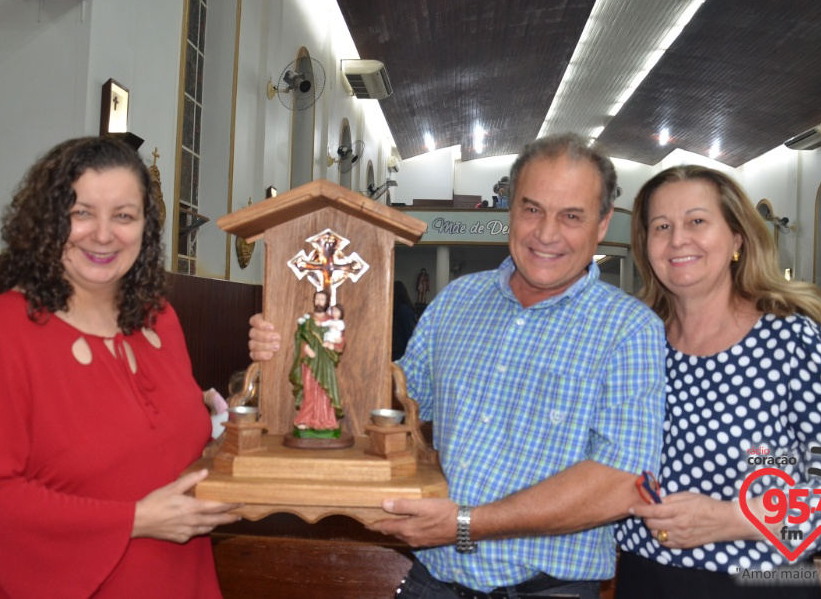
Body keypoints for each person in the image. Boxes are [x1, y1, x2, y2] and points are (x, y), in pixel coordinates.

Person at [249, 133, 667, 598]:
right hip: (437, 581)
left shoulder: (628, 329)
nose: (547, 234)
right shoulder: (457, 301)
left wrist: (466, 524)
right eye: (532, 209)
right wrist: (294, 347)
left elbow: (620, 482)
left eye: (571, 216)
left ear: (603, 222)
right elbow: (384, 405)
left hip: (547, 590)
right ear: (509, 207)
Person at [0, 136, 241, 599]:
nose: (103, 234)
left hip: (183, 582)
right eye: (81, 213)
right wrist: (135, 521)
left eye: (124, 215)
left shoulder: (159, 319)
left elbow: (175, 446)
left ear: (145, 226)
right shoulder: (3, 335)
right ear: (49, 222)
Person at [615, 165, 821, 598]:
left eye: (697, 221)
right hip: (642, 577)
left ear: (738, 238)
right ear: (646, 245)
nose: (678, 239)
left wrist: (731, 518)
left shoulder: (793, 344)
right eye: (661, 226)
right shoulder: (631, 344)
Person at [290, 290, 345, 436]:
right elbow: (299, 337)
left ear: (327, 302)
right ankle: (306, 419)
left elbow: (340, 338)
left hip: (325, 360)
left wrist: (335, 345)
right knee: (309, 390)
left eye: (322, 300)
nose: (319, 302)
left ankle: (327, 421)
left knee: (325, 391)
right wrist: (305, 347)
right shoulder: (306, 321)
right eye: (317, 299)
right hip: (310, 360)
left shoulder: (332, 321)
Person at [392, 280, 418, 361]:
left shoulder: (403, 310)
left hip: (402, 354)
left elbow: (410, 334)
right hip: (400, 352)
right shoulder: (403, 310)